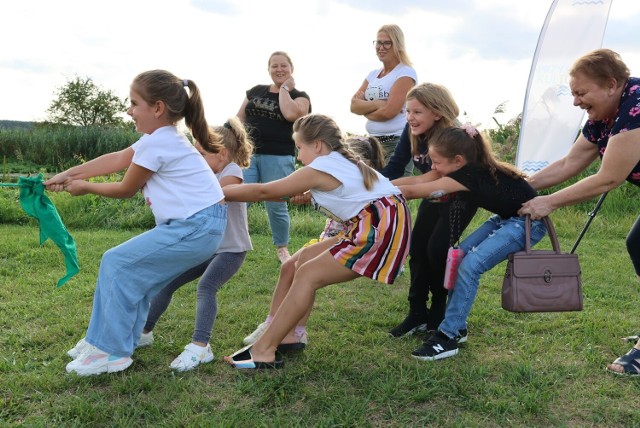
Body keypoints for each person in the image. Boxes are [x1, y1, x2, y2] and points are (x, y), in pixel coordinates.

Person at [46, 70, 228, 376]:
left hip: (196, 227)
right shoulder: (160, 138)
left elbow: (125, 188)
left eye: (134, 103)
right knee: (134, 275)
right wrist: (71, 173)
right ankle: (104, 341)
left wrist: (85, 186)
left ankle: (113, 352)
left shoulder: (160, 143)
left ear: (157, 108)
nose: (129, 110)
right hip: (199, 226)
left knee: (116, 262)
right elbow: (118, 158)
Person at [222, 114, 411, 369]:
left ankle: (264, 350)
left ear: (318, 145)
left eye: (300, 147)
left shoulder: (323, 166)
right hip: (376, 221)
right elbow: (346, 194)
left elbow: (264, 191)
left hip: (377, 226)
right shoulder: (340, 162)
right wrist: (311, 195)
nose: (299, 157)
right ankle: (289, 336)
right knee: (299, 263)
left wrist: (215, 193)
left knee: (308, 274)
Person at [518, 49, 640, 376]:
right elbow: (570, 163)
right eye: (573, 94)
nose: (575, 102)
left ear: (611, 84)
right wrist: (524, 186)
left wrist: (550, 202)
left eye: (581, 93)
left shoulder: (636, 109)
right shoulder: (603, 118)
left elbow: (609, 177)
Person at [398, 125, 547, 361]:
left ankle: (447, 337)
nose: (433, 167)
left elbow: (414, 191)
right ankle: (457, 325)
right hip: (505, 219)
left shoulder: (469, 175)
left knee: (470, 266)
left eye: (436, 162)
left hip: (528, 224)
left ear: (458, 160)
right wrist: (375, 184)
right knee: (458, 260)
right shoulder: (469, 168)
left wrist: (367, 193)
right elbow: (417, 180)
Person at [241, 136, 387, 349]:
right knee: (289, 266)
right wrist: (309, 196)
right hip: (332, 236)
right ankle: (271, 323)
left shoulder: (367, 184)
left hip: (348, 239)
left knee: (305, 274)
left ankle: (296, 332)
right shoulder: (341, 178)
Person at [137, 117, 253, 371]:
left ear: (221, 154)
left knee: (206, 286)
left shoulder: (231, 171)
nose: (195, 159)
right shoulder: (204, 174)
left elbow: (215, 197)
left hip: (231, 249)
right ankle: (144, 332)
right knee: (167, 283)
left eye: (200, 153)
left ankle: (201, 346)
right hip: (205, 247)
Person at [382, 83, 477, 338]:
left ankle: (439, 311)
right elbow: (396, 164)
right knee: (418, 248)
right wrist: (374, 183)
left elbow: (434, 176)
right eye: (408, 111)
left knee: (437, 250)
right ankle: (416, 313)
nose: (410, 117)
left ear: (437, 112)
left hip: (459, 198)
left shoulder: (451, 136)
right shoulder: (411, 131)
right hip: (432, 195)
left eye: (417, 112)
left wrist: (386, 188)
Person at [237, 51, 312, 264]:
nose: (279, 70)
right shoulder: (255, 91)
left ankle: (282, 248)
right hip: (248, 154)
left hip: (278, 155)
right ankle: (230, 243)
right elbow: (239, 118)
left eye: (283, 66)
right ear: (268, 69)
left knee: (276, 204)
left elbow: (291, 115)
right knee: (239, 200)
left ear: (291, 69)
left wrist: (285, 88)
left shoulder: (300, 96)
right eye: (274, 66)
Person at [350, 24, 417, 176]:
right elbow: (353, 106)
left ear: (398, 45)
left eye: (387, 43)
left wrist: (365, 110)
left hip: (397, 143)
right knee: (370, 191)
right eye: (378, 42)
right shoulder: (373, 75)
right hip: (373, 144)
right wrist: (378, 104)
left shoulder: (405, 73)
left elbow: (389, 112)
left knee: (393, 192)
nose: (381, 47)